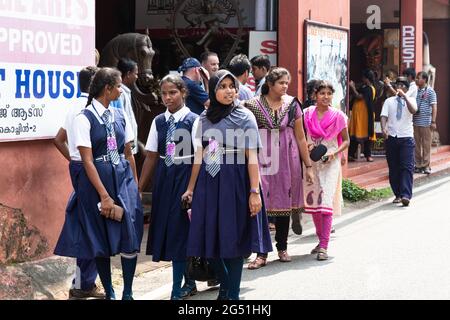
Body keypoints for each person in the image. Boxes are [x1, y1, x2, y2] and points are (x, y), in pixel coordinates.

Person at [54, 68, 144, 300]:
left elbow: (127, 152)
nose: (121, 90)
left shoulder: (120, 115)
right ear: (107, 88)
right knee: (101, 239)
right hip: (98, 183)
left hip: (123, 180)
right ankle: (111, 292)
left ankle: (128, 292)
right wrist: (104, 195)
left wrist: (134, 186)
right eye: (118, 86)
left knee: (130, 238)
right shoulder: (84, 117)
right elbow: (87, 160)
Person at [182, 70, 272, 300]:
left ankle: (231, 294)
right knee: (206, 237)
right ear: (213, 90)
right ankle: (226, 283)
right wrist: (191, 188)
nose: (229, 91)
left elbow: (252, 157)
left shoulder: (244, 117)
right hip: (208, 183)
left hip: (236, 180)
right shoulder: (202, 119)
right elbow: (199, 156)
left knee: (234, 240)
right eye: (222, 86)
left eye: (232, 86)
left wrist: (254, 192)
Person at [244, 67, 314, 269]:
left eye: (287, 82)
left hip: (286, 158)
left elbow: (301, 137)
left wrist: (308, 165)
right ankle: (261, 253)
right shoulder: (252, 105)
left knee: (284, 201)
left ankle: (282, 247)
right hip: (262, 156)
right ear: (270, 84)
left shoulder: (292, 104)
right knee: (260, 202)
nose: (285, 86)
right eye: (281, 83)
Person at [138, 75, 198, 300]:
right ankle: (189, 283)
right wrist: (139, 188)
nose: (167, 97)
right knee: (172, 230)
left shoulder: (194, 120)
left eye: (172, 92)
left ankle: (176, 290)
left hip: (185, 175)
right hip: (165, 178)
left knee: (181, 231)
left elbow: (202, 156)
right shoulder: (158, 122)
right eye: (164, 93)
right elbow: (152, 156)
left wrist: (194, 187)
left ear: (183, 92)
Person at [53, 66, 105, 299]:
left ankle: (84, 282)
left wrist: (74, 160)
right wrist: (83, 162)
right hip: (90, 167)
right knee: (92, 223)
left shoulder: (73, 106)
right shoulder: (91, 109)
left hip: (78, 166)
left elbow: (58, 140)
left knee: (86, 222)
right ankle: (83, 283)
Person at [303, 81, 349, 261]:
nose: (326, 97)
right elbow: (300, 136)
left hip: (330, 162)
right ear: (315, 95)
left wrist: (334, 153)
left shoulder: (338, 116)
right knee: (314, 204)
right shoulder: (306, 114)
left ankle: (324, 245)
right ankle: (320, 239)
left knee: (326, 203)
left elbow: (346, 141)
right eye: (322, 93)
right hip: (311, 162)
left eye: (329, 93)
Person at [381, 77, 418, 207]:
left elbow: (414, 110)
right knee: (394, 167)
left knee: (407, 167)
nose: (400, 87)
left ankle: (406, 195)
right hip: (392, 137)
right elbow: (384, 116)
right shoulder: (389, 101)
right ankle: (397, 194)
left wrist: (405, 97)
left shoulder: (411, 100)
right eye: (398, 85)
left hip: (406, 137)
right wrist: (383, 128)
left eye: (403, 85)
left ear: (407, 89)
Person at [348, 69, 377, 162]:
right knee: (355, 133)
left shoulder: (369, 88)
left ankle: (368, 155)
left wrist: (352, 87)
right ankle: (351, 154)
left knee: (367, 134)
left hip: (365, 115)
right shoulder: (364, 87)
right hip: (359, 114)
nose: (362, 79)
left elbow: (359, 96)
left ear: (366, 78)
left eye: (363, 78)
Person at [113, 58, 139, 155]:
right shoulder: (120, 94)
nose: (137, 77)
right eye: (135, 74)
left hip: (129, 144)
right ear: (128, 74)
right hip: (125, 147)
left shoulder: (126, 92)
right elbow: (121, 122)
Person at [413, 71, 437, 175]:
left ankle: (426, 166)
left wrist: (433, 121)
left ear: (425, 80)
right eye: (417, 78)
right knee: (416, 145)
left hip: (426, 123)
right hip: (416, 122)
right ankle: (418, 165)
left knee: (426, 145)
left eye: (419, 78)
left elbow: (434, 107)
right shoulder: (416, 91)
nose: (417, 80)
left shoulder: (430, 91)